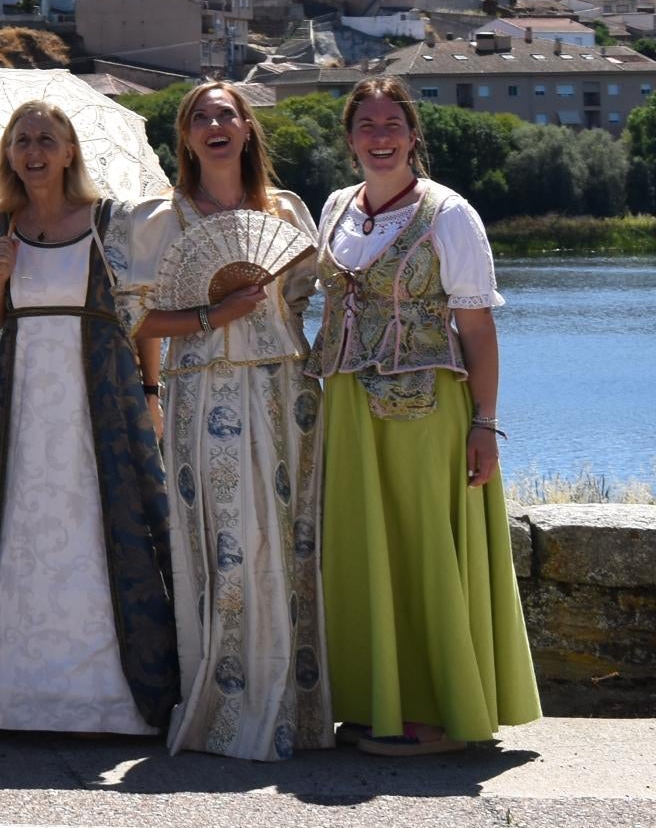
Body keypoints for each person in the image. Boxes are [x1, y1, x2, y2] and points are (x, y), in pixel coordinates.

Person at [311, 80, 539, 755]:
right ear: (350, 138)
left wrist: (485, 423)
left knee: (421, 549)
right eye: (366, 125)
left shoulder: (449, 214)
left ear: (413, 136)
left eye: (392, 124)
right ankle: (373, 700)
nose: (379, 136)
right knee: (360, 550)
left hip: (426, 407)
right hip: (347, 404)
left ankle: (438, 713)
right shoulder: (333, 209)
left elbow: (478, 329)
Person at [108, 83, 328, 760]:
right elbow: (136, 321)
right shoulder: (158, 219)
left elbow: (306, 305)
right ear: (186, 139)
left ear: (247, 129)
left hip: (285, 393)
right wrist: (213, 316)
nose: (213, 124)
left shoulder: (287, 211)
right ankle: (229, 708)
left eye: (225, 114)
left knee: (289, 543)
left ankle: (292, 709)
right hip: (202, 397)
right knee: (227, 546)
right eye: (199, 117)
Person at [0, 100, 178, 736]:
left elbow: (142, 315)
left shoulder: (115, 223)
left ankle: (113, 699)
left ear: (69, 150)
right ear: (9, 153)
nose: (34, 151)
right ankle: (13, 697)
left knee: (106, 525)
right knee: (24, 530)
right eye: (22, 140)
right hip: (26, 406)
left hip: (104, 403)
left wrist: (153, 392)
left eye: (46, 140)